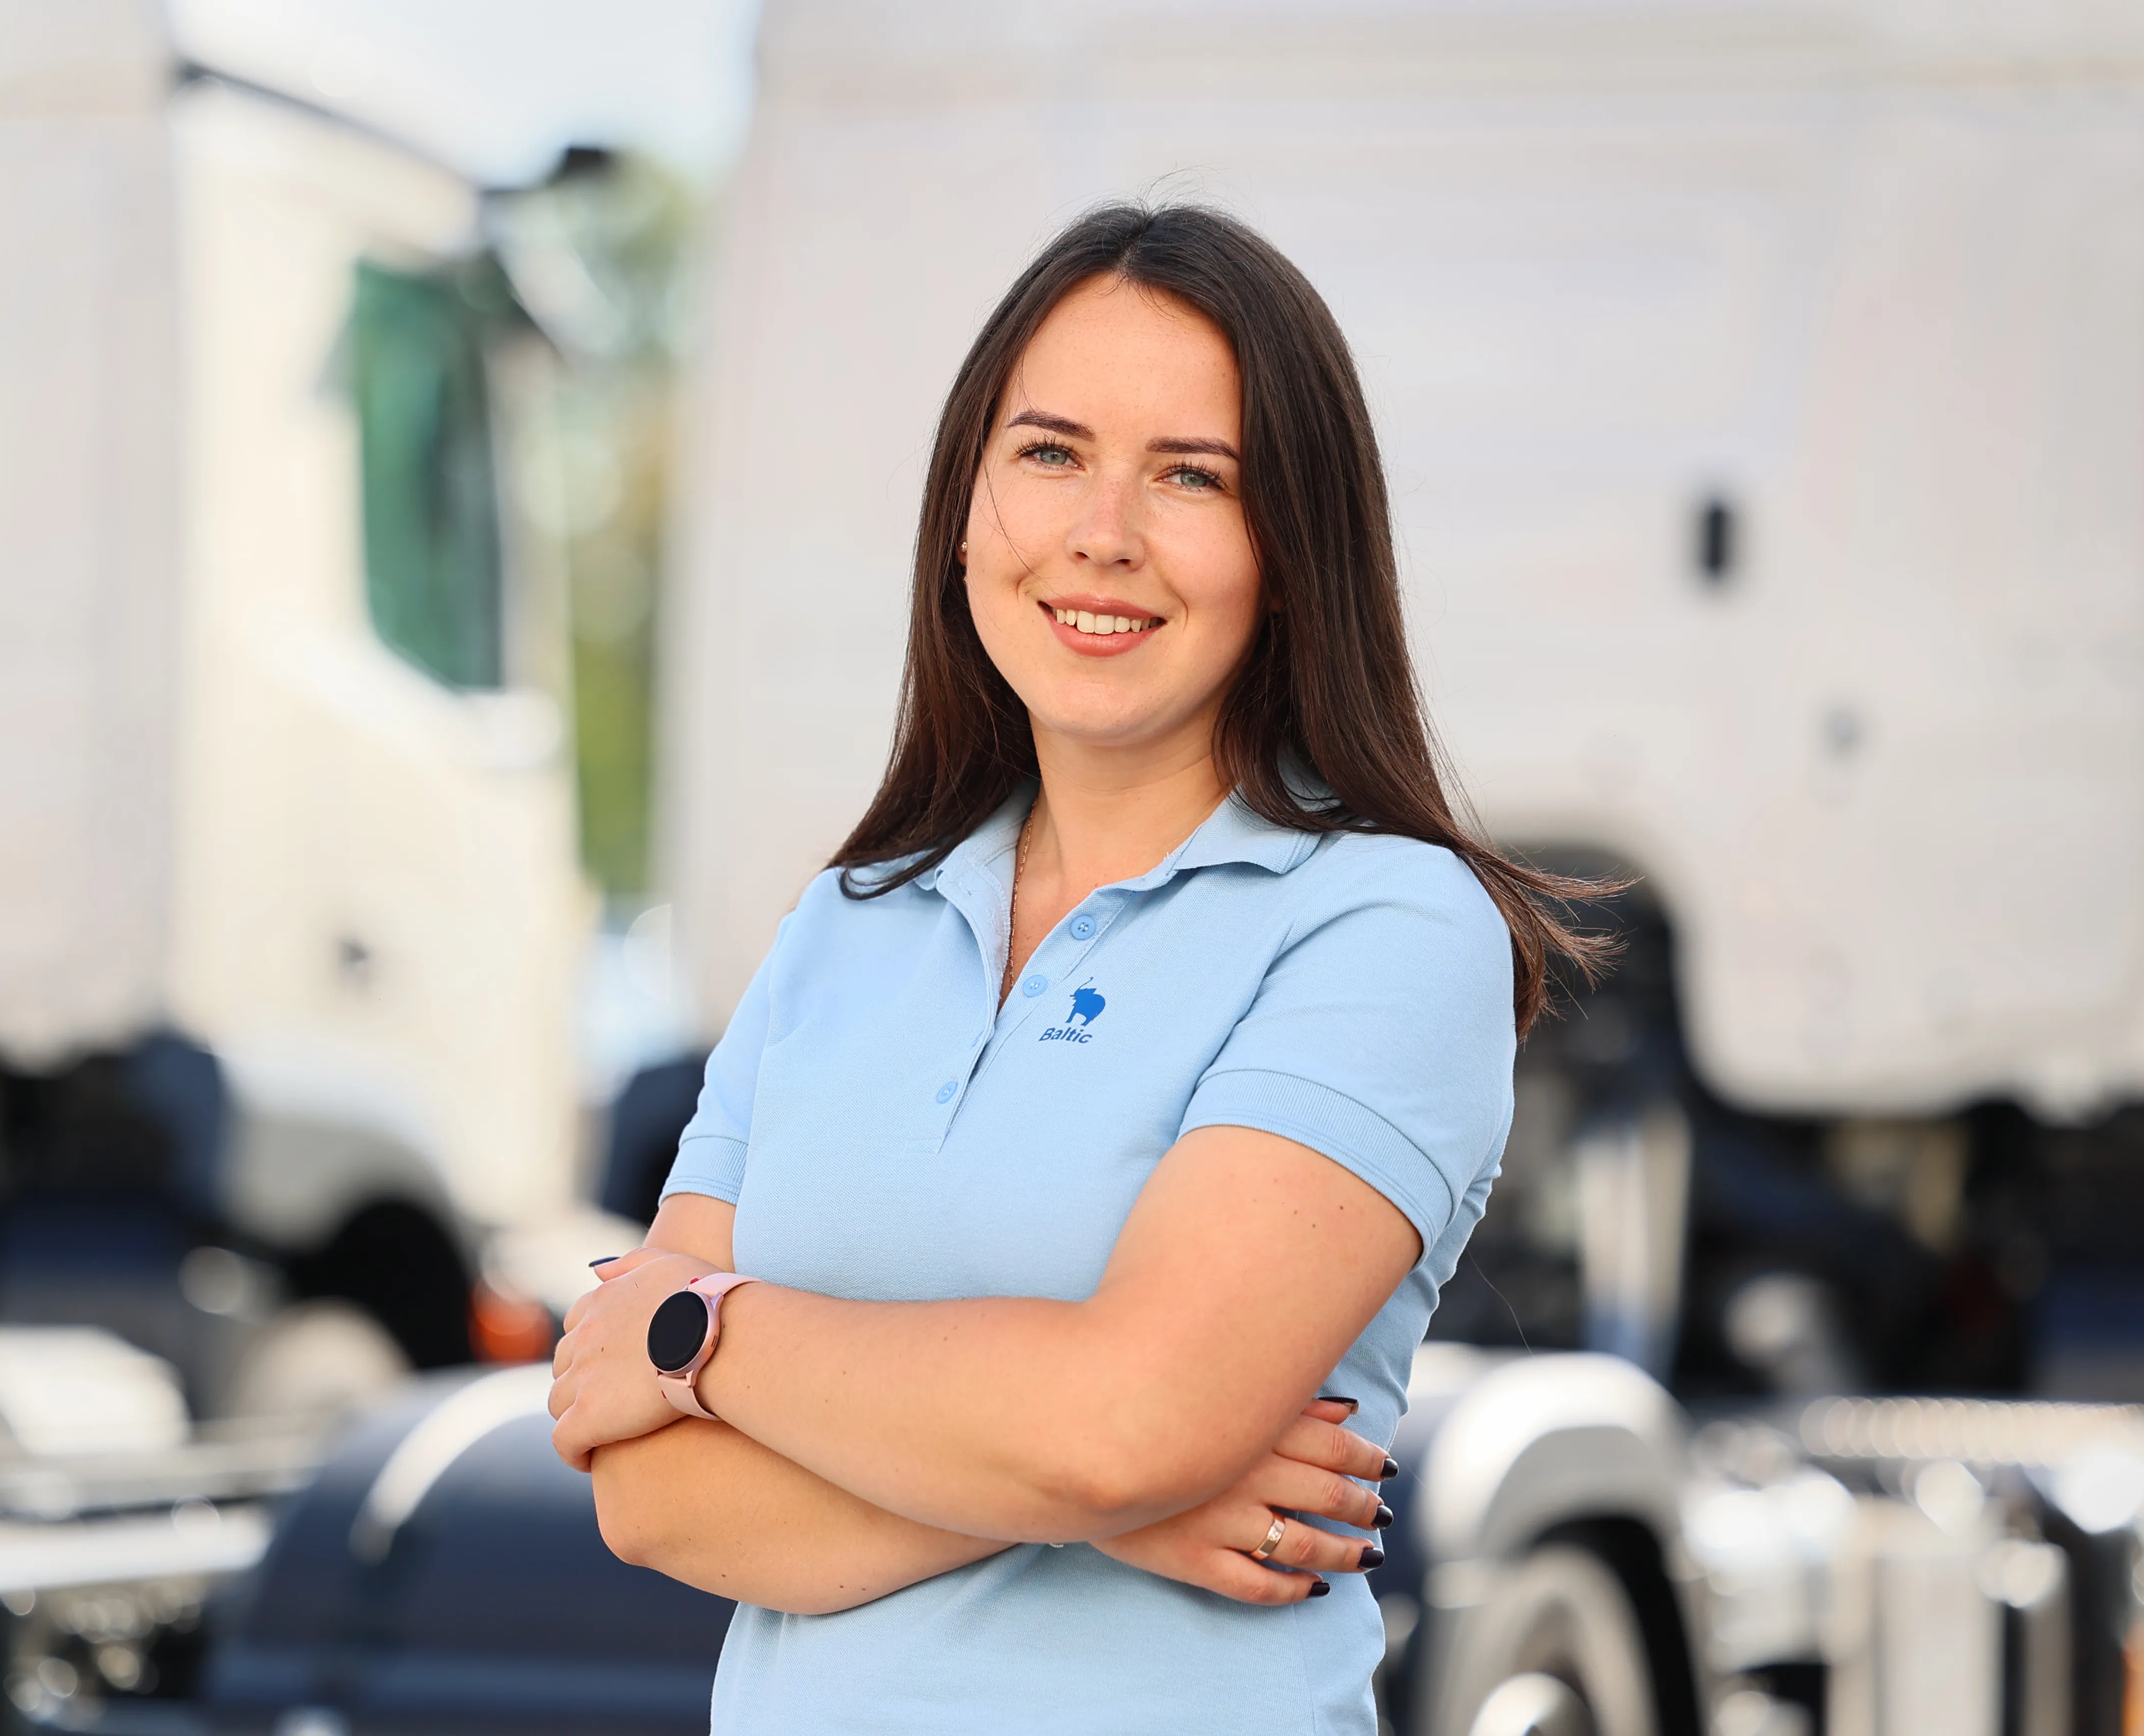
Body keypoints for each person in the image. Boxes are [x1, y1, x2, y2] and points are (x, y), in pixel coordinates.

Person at [548, 203, 1606, 1734]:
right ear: (964, 512)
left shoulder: (1385, 928)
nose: (1101, 531)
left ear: (1291, 551)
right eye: (1048, 453)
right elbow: (647, 1496)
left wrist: (696, 1332)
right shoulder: (853, 919)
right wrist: (1095, 1501)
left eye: (1191, 475)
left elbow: (1126, 1416)